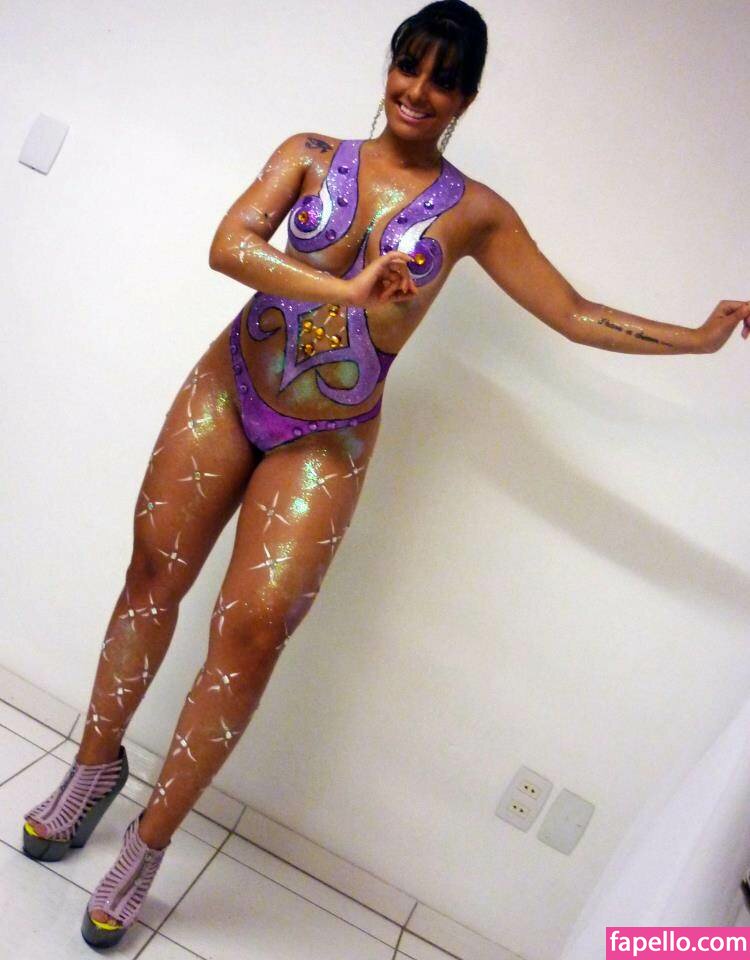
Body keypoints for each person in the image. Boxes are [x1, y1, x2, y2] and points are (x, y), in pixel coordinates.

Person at [20, 0, 749, 949]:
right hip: (229, 386)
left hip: (330, 433)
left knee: (251, 634)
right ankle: (92, 768)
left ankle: (151, 842)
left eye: (445, 80)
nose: (419, 91)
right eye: (411, 66)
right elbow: (228, 246)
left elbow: (572, 314)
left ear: (467, 98)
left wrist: (699, 339)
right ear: (391, 67)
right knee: (152, 576)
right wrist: (349, 289)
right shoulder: (309, 153)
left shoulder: (477, 214)